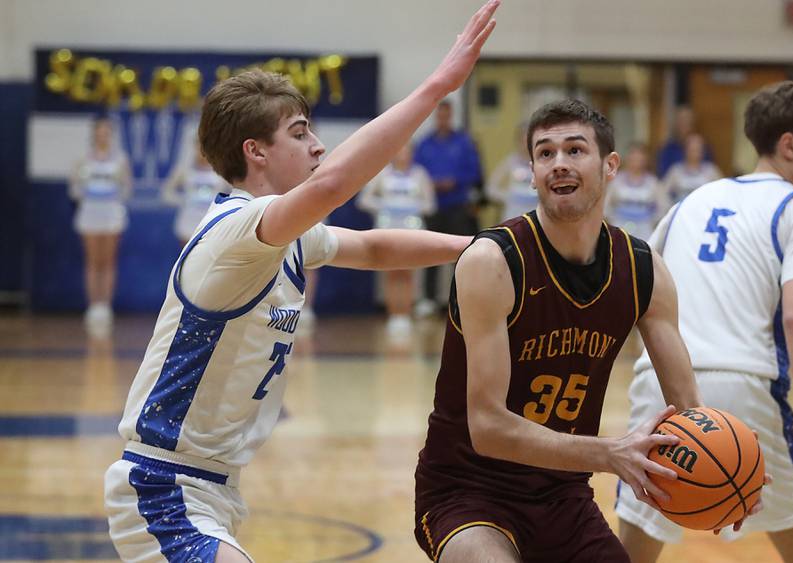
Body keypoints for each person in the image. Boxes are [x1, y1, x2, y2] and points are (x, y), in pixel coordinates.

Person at [103, 2, 500, 561]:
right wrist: (436, 87)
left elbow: (374, 245)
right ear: (256, 151)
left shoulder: (285, 239)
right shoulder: (236, 232)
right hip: (164, 487)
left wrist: (488, 249)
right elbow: (335, 183)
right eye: (300, 132)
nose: (317, 145)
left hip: (212, 486)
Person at [412, 98, 756, 563]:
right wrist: (610, 453)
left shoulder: (642, 270)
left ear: (610, 165)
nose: (558, 164)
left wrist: (734, 467)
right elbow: (489, 428)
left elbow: (689, 409)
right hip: (468, 491)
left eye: (575, 150)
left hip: (564, 498)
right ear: (531, 172)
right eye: (545, 154)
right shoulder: (493, 261)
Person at [616, 81, 793, 563]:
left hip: (658, 388)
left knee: (634, 548)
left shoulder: (689, 202)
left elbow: (639, 290)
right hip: (747, 388)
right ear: (789, 145)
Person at [358, 142, 436, 335]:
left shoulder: (420, 174)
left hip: (412, 229)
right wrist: (385, 205)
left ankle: (406, 314)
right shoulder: (382, 174)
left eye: (406, 151)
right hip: (388, 228)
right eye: (399, 150)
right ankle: (394, 314)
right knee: (391, 272)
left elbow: (430, 205)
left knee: (408, 272)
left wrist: (412, 206)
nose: (403, 154)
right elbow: (364, 200)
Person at [414, 99, 483, 315]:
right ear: (436, 116)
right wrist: (431, 183)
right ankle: (428, 300)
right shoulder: (424, 144)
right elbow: (416, 173)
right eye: (439, 115)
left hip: (458, 206)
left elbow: (475, 172)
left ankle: (461, 300)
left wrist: (454, 181)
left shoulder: (464, 142)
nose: (443, 119)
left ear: (451, 115)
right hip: (433, 207)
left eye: (446, 115)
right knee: (430, 253)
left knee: (460, 255)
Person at [69, 116, 132, 335]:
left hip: (112, 214)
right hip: (89, 214)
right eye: (99, 131)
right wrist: (88, 192)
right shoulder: (83, 159)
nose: (102, 135)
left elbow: (127, 188)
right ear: (94, 134)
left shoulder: (120, 159)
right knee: (92, 260)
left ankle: (105, 306)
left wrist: (112, 195)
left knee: (108, 261)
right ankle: (93, 305)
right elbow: (74, 188)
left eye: (106, 132)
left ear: (111, 135)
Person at [162, 141, 230, 246]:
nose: (202, 152)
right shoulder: (184, 170)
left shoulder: (223, 170)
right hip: (188, 224)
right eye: (199, 147)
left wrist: (224, 203)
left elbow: (237, 192)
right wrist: (183, 200)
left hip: (214, 223)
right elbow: (166, 193)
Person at [605, 142, 668, 240]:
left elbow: (663, 207)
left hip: (645, 231)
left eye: (640, 158)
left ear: (646, 160)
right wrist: (612, 221)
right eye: (633, 157)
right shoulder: (616, 180)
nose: (636, 161)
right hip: (618, 228)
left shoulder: (653, 182)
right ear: (627, 158)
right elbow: (605, 205)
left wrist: (652, 222)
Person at [486, 123, 537, 222]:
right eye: (523, 141)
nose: (526, 145)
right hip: (513, 216)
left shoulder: (541, 162)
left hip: (536, 217)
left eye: (530, 141)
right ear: (518, 141)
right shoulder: (511, 161)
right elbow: (491, 188)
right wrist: (508, 197)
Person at [655, 105, 713, 179]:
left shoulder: (704, 147)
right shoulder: (667, 149)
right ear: (676, 123)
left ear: (693, 123)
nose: (684, 123)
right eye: (681, 120)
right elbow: (663, 176)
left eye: (687, 120)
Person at [662, 132, 722, 204]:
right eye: (692, 149)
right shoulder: (676, 170)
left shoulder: (711, 170)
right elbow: (662, 193)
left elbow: (722, 191)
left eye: (698, 149)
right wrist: (672, 207)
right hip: (682, 212)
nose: (695, 152)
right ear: (685, 149)